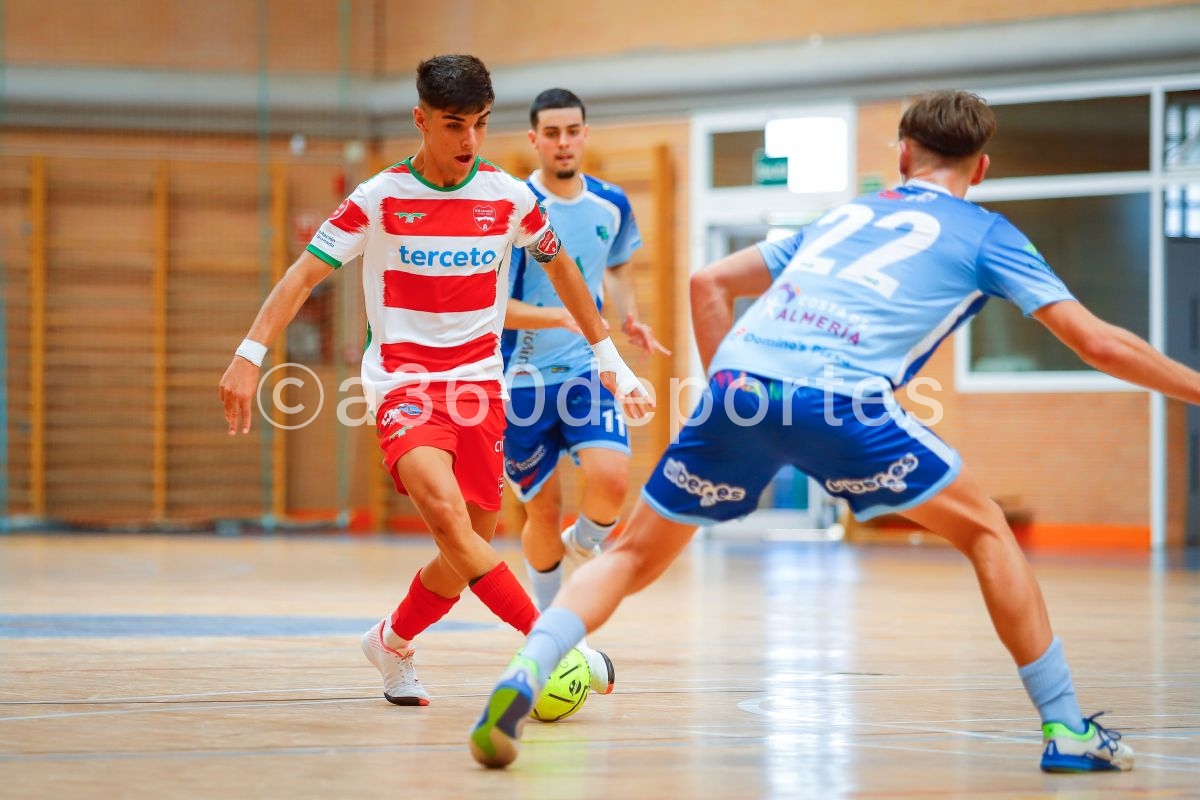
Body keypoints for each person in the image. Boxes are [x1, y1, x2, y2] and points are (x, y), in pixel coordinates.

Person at [471, 89, 1200, 770]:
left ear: (904, 157)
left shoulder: (848, 216)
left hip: (741, 388)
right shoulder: (988, 233)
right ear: (979, 168)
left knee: (628, 557)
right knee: (985, 533)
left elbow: (707, 284)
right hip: (842, 400)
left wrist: (740, 395)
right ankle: (1067, 728)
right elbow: (1099, 344)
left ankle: (527, 669)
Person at [218, 54, 652, 708]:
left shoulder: (509, 197)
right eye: (454, 125)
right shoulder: (380, 199)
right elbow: (301, 276)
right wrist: (250, 353)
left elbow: (561, 270)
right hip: (404, 389)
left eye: (479, 124)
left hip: (482, 390)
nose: (469, 141)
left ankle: (391, 643)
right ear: (421, 120)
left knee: (469, 549)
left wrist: (608, 356)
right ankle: (556, 643)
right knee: (450, 525)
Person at [500, 88, 670, 694]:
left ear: (585, 134)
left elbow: (617, 265)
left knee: (613, 480)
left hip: (583, 372)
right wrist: (561, 316)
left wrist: (628, 316)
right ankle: (549, 625)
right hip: (517, 381)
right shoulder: (515, 207)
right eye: (552, 133)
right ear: (534, 140)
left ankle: (584, 545)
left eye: (573, 131)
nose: (564, 142)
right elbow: (493, 307)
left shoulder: (611, 202)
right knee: (539, 510)